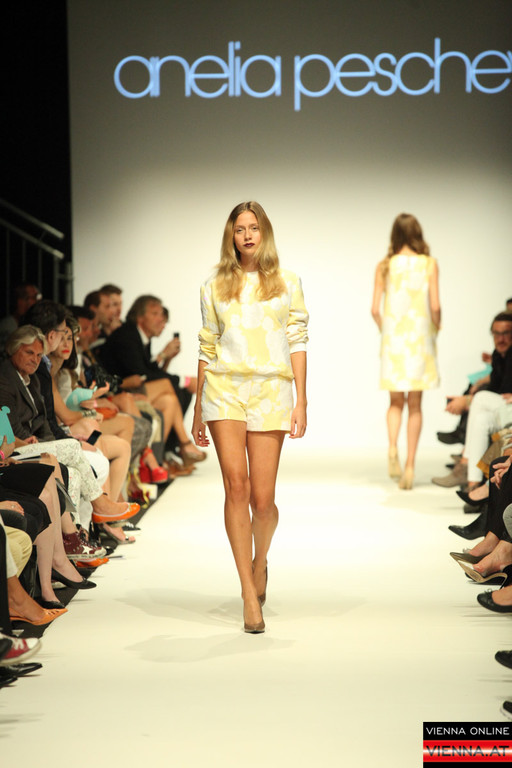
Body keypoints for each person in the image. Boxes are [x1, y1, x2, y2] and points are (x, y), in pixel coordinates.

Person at [192, 201, 308, 634]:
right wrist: (198, 407)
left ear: (264, 232)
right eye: (239, 229)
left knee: (263, 501)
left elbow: (298, 339)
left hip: (272, 390)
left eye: (253, 228)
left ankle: (261, 561)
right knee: (235, 487)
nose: (247, 235)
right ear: (231, 236)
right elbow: (207, 345)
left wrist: (301, 400)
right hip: (224, 389)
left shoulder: (287, 282)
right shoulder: (213, 285)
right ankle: (246, 590)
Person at [371, 213, 441, 489]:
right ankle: (410, 466)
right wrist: (437, 325)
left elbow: (374, 309)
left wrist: (386, 330)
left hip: (394, 340)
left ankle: (392, 448)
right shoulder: (429, 264)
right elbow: (435, 306)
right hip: (420, 339)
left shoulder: (385, 265)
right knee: (415, 404)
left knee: (395, 402)